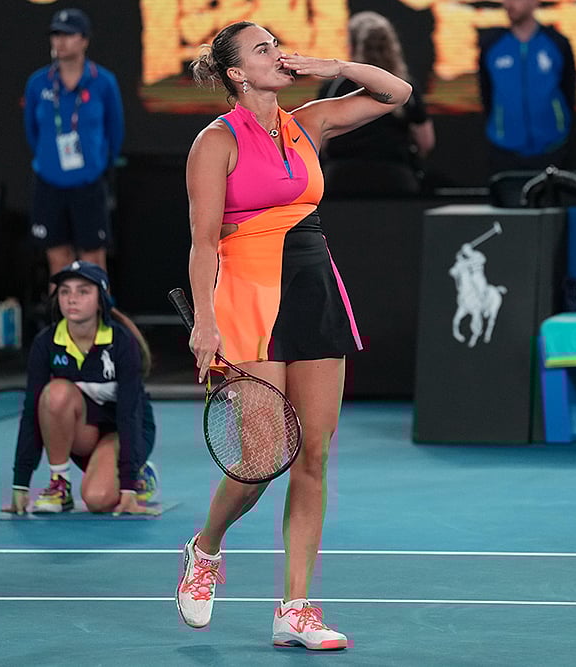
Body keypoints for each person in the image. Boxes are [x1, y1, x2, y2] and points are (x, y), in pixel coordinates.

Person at [176, 21, 411, 650]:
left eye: (277, 45)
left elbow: (397, 93)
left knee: (314, 454)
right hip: (247, 297)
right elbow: (202, 245)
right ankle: (206, 547)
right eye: (262, 50)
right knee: (259, 462)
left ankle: (296, 608)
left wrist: (325, 62)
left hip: (313, 288)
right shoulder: (214, 143)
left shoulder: (309, 122)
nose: (275, 55)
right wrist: (205, 321)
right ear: (235, 73)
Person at [9, 260, 156, 515]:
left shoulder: (122, 343)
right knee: (55, 394)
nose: (72, 299)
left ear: (101, 300)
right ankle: (59, 485)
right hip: (83, 431)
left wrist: (129, 485)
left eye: (83, 291)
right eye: (65, 291)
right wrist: (20, 483)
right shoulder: (46, 343)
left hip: (125, 431)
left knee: (98, 500)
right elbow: (31, 411)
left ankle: (141, 473)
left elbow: (129, 414)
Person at [23, 8, 125, 277]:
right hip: (49, 184)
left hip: (89, 185)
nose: (60, 41)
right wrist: (48, 162)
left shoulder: (103, 82)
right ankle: (60, 319)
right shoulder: (37, 83)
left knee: (93, 259)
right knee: (57, 259)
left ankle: (99, 318)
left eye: (68, 35)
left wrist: (99, 165)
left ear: (84, 40)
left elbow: (115, 131)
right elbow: (32, 131)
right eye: (56, 34)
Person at [317, 11, 435, 195]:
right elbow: (426, 142)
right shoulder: (404, 87)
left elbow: (319, 142)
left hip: (341, 179)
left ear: (352, 45)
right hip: (396, 179)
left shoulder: (333, 88)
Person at [478, 0, 576, 175]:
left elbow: (568, 91)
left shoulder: (557, 43)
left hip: (552, 150)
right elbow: (487, 94)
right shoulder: (491, 45)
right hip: (504, 152)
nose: (508, 4)